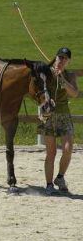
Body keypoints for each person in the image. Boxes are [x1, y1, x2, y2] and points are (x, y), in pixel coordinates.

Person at [38, 47, 79, 195]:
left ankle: (60, 177)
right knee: (51, 153)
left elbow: (74, 93)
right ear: (55, 58)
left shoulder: (70, 75)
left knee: (68, 149)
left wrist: (62, 79)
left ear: (68, 61)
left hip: (64, 115)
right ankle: (49, 185)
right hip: (49, 116)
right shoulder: (47, 73)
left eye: (64, 58)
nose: (61, 60)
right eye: (59, 57)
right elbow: (39, 91)